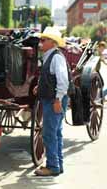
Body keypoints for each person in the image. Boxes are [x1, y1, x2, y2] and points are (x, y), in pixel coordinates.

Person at [33, 27, 69, 176]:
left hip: (54, 100)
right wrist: (39, 87)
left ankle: (52, 167)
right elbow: (49, 77)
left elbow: (63, 80)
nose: (41, 43)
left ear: (53, 42)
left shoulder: (56, 57)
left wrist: (58, 99)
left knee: (49, 134)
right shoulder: (50, 56)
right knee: (56, 133)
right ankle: (58, 165)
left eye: (44, 40)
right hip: (51, 99)